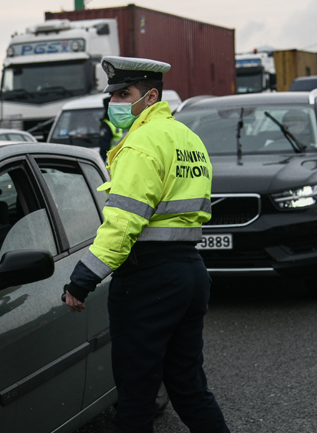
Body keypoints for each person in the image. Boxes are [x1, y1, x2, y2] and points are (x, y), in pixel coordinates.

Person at [62, 56, 230, 433]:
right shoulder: (188, 138)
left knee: (135, 397)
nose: (115, 103)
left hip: (148, 280)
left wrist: (82, 279)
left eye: (125, 94)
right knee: (189, 387)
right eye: (113, 95)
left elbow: (123, 221)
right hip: (189, 273)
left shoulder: (140, 144)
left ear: (150, 96)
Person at [98, 96, 124, 162]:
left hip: (112, 159)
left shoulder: (106, 124)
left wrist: (101, 162)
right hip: (123, 156)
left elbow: (104, 146)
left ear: (105, 108)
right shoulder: (122, 121)